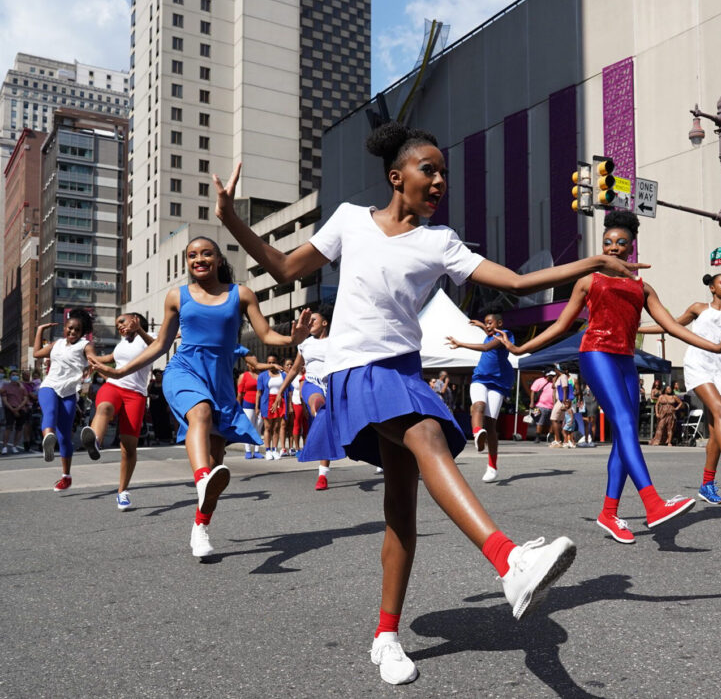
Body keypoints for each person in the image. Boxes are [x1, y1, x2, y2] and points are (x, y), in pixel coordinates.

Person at [211, 122, 648, 685]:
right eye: (429, 169)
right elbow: (283, 267)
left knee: (402, 508)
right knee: (427, 435)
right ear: (397, 176)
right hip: (355, 368)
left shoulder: (440, 242)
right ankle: (508, 560)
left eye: (444, 173)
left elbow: (515, 283)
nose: (440, 179)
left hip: (404, 370)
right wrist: (231, 221)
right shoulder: (348, 220)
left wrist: (589, 264)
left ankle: (386, 636)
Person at [496, 209, 721, 545]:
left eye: (620, 243)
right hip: (595, 353)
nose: (613, 248)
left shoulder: (642, 287)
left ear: (631, 247)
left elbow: (671, 325)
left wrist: (714, 345)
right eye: (608, 242)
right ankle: (652, 503)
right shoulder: (589, 280)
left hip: (625, 360)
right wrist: (521, 350)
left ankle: (609, 513)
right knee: (623, 421)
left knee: (626, 435)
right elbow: (562, 325)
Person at [90, 236, 310, 559]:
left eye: (206, 253)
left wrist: (293, 337)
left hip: (220, 381)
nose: (199, 259)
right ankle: (201, 477)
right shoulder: (176, 296)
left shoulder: (241, 294)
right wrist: (122, 372)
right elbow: (160, 345)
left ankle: (200, 527)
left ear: (219, 259)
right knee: (201, 414)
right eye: (192, 255)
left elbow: (265, 334)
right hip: (184, 371)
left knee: (217, 457)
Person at [639, 273, 721, 505]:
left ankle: (707, 484)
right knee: (720, 409)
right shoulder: (699, 308)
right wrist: (638, 330)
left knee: (716, 427)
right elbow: (670, 325)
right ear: (712, 288)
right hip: (698, 364)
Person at [78, 313, 154, 511]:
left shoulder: (148, 337)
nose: (119, 326)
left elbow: (157, 346)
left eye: (122, 321)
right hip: (113, 386)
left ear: (136, 320)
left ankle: (122, 492)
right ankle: (95, 440)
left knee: (128, 447)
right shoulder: (121, 344)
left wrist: (140, 331)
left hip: (136, 394)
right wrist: (90, 360)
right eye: (116, 323)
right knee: (104, 408)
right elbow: (108, 358)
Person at [446, 309, 515, 482]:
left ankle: (492, 466)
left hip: (498, 383)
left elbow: (486, 347)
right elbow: (489, 332)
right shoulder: (490, 332)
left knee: (491, 424)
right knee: (478, 406)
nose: (488, 326)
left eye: (490, 322)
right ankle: (477, 433)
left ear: (500, 324)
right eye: (487, 323)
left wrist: (461, 344)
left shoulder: (505, 335)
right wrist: (482, 326)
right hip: (480, 378)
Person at [33, 310, 98, 490]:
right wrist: (40, 330)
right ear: (65, 328)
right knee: (50, 413)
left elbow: (94, 361)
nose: (72, 332)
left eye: (76, 330)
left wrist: (91, 370)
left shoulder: (86, 346)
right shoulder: (57, 344)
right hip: (50, 386)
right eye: (70, 328)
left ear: (82, 332)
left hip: (69, 392)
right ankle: (48, 439)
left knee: (65, 437)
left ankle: (66, 476)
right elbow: (36, 353)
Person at [274, 305, 335, 490]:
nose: (309, 324)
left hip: (332, 386)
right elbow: (294, 369)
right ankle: (313, 448)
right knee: (320, 409)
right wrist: (280, 392)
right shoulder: (305, 343)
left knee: (329, 426)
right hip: (311, 384)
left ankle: (323, 474)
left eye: (313, 320)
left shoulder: (336, 341)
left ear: (325, 323)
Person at [256, 354, 289, 461]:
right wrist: (257, 407)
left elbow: (288, 387)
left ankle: (274, 449)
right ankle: (267, 450)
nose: (271, 364)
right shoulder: (263, 375)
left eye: (273, 362)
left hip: (280, 401)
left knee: (276, 427)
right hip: (267, 401)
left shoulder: (282, 374)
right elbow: (259, 392)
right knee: (268, 427)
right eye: (269, 362)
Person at [1, 369, 30, 453]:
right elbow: (4, 399)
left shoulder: (21, 387)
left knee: (19, 428)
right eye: (13, 375)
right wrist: (13, 409)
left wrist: (18, 408)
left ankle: (15, 446)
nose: (15, 376)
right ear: (10, 376)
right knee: (8, 427)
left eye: (16, 375)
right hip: (10, 409)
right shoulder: (5, 386)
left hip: (21, 409)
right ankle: (5, 447)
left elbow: (25, 398)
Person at [528, 371, 555, 443]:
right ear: (546, 375)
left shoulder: (554, 382)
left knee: (552, 422)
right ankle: (537, 437)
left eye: (553, 376)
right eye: (551, 376)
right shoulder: (539, 381)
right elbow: (533, 392)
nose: (552, 377)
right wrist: (532, 402)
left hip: (552, 406)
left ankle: (550, 436)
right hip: (539, 405)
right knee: (539, 421)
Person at [148, 369, 173, 443]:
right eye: (156, 376)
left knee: (166, 421)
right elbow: (147, 393)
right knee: (156, 422)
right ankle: (157, 437)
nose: (157, 377)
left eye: (159, 375)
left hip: (164, 405)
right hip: (154, 406)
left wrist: (169, 405)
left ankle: (169, 437)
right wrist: (151, 395)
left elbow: (169, 395)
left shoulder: (165, 384)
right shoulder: (151, 385)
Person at [581, 379, 600, 444]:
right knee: (585, 423)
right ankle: (586, 440)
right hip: (585, 405)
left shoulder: (595, 385)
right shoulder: (583, 386)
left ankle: (592, 439)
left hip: (593, 404)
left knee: (592, 422)